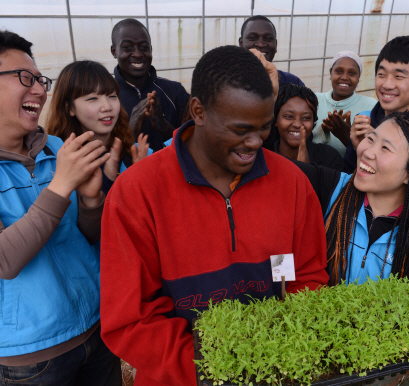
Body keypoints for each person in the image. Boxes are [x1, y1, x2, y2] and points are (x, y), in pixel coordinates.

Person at [99, 45, 329, 386]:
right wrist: (214, 370)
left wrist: (278, 354)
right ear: (198, 110)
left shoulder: (292, 184)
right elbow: (131, 319)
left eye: (264, 127)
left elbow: (303, 276)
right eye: (240, 130)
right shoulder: (137, 193)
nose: (254, 142)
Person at [0, 31, 121, 385]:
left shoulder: (57, 147)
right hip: (31, 358)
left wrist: (91, 200)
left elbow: (89, 236)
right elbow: (5, 262)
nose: (39, 89)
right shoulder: (63, 164)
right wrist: (62, 186)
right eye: (25, 77)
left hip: (96, 330)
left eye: (41, 79)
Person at [296, 111, 409, 300]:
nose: (367, 152)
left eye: (385, 148)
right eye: (370, 139)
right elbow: (274, 167)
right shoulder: (329, 188)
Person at [46, 60, 151, 196]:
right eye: (92, 98)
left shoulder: (140, 154)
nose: (107, 106)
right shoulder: (56, 166)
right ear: (69, 107)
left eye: (112, 96)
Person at [343, 36, 409, 174]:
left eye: (399, 76)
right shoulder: (364, 121)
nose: (387, 85)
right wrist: (358, 150)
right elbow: (348, 177)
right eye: (381, 74)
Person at [111, 18, 190, 151]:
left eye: (144, 47)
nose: (137, 54)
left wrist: (163, 125)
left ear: (151, 50)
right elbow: (103, 153)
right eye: (127, 47)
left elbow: (192, 143)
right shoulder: (105, 97)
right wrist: (129, 132)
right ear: (114, 51)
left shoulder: (175, 92)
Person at [312, 51, 377, 156]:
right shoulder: (314, 100)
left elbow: (375, 150)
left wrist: (348, 137)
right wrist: (322, 131)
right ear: (330, 73)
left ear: (359, 77)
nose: (344, 77)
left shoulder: (371, 106)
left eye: (352, 73)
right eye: (339, 71)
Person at [273, 83, 343, 170]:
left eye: (306, 118)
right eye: (289, 116)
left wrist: (308, 170)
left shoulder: (330, 159)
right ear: (276, 120)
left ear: (314, 121)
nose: (297, 124)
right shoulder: (265, 160)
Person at [239, 15, 305, 87]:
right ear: (241, 44)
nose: (261, 44)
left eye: (268, 38)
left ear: (276, 45)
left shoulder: (293, 83)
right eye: (253, 38)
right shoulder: (228, 83)